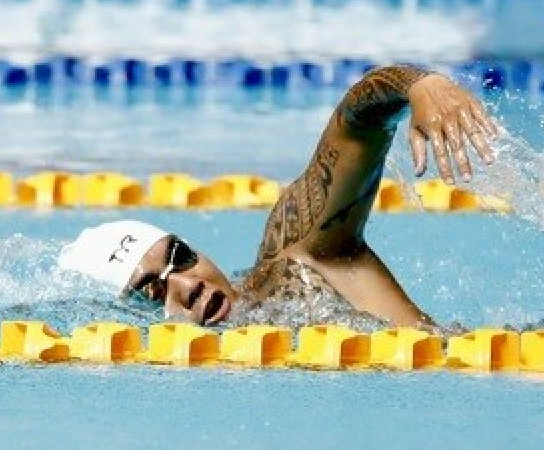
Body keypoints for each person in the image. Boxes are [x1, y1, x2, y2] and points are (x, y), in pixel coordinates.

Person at [57, 65, 497, 327]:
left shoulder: (297, 263)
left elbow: (356, 121)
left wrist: (419, 85)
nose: (190, 285)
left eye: (181, 256)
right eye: (152, 293)